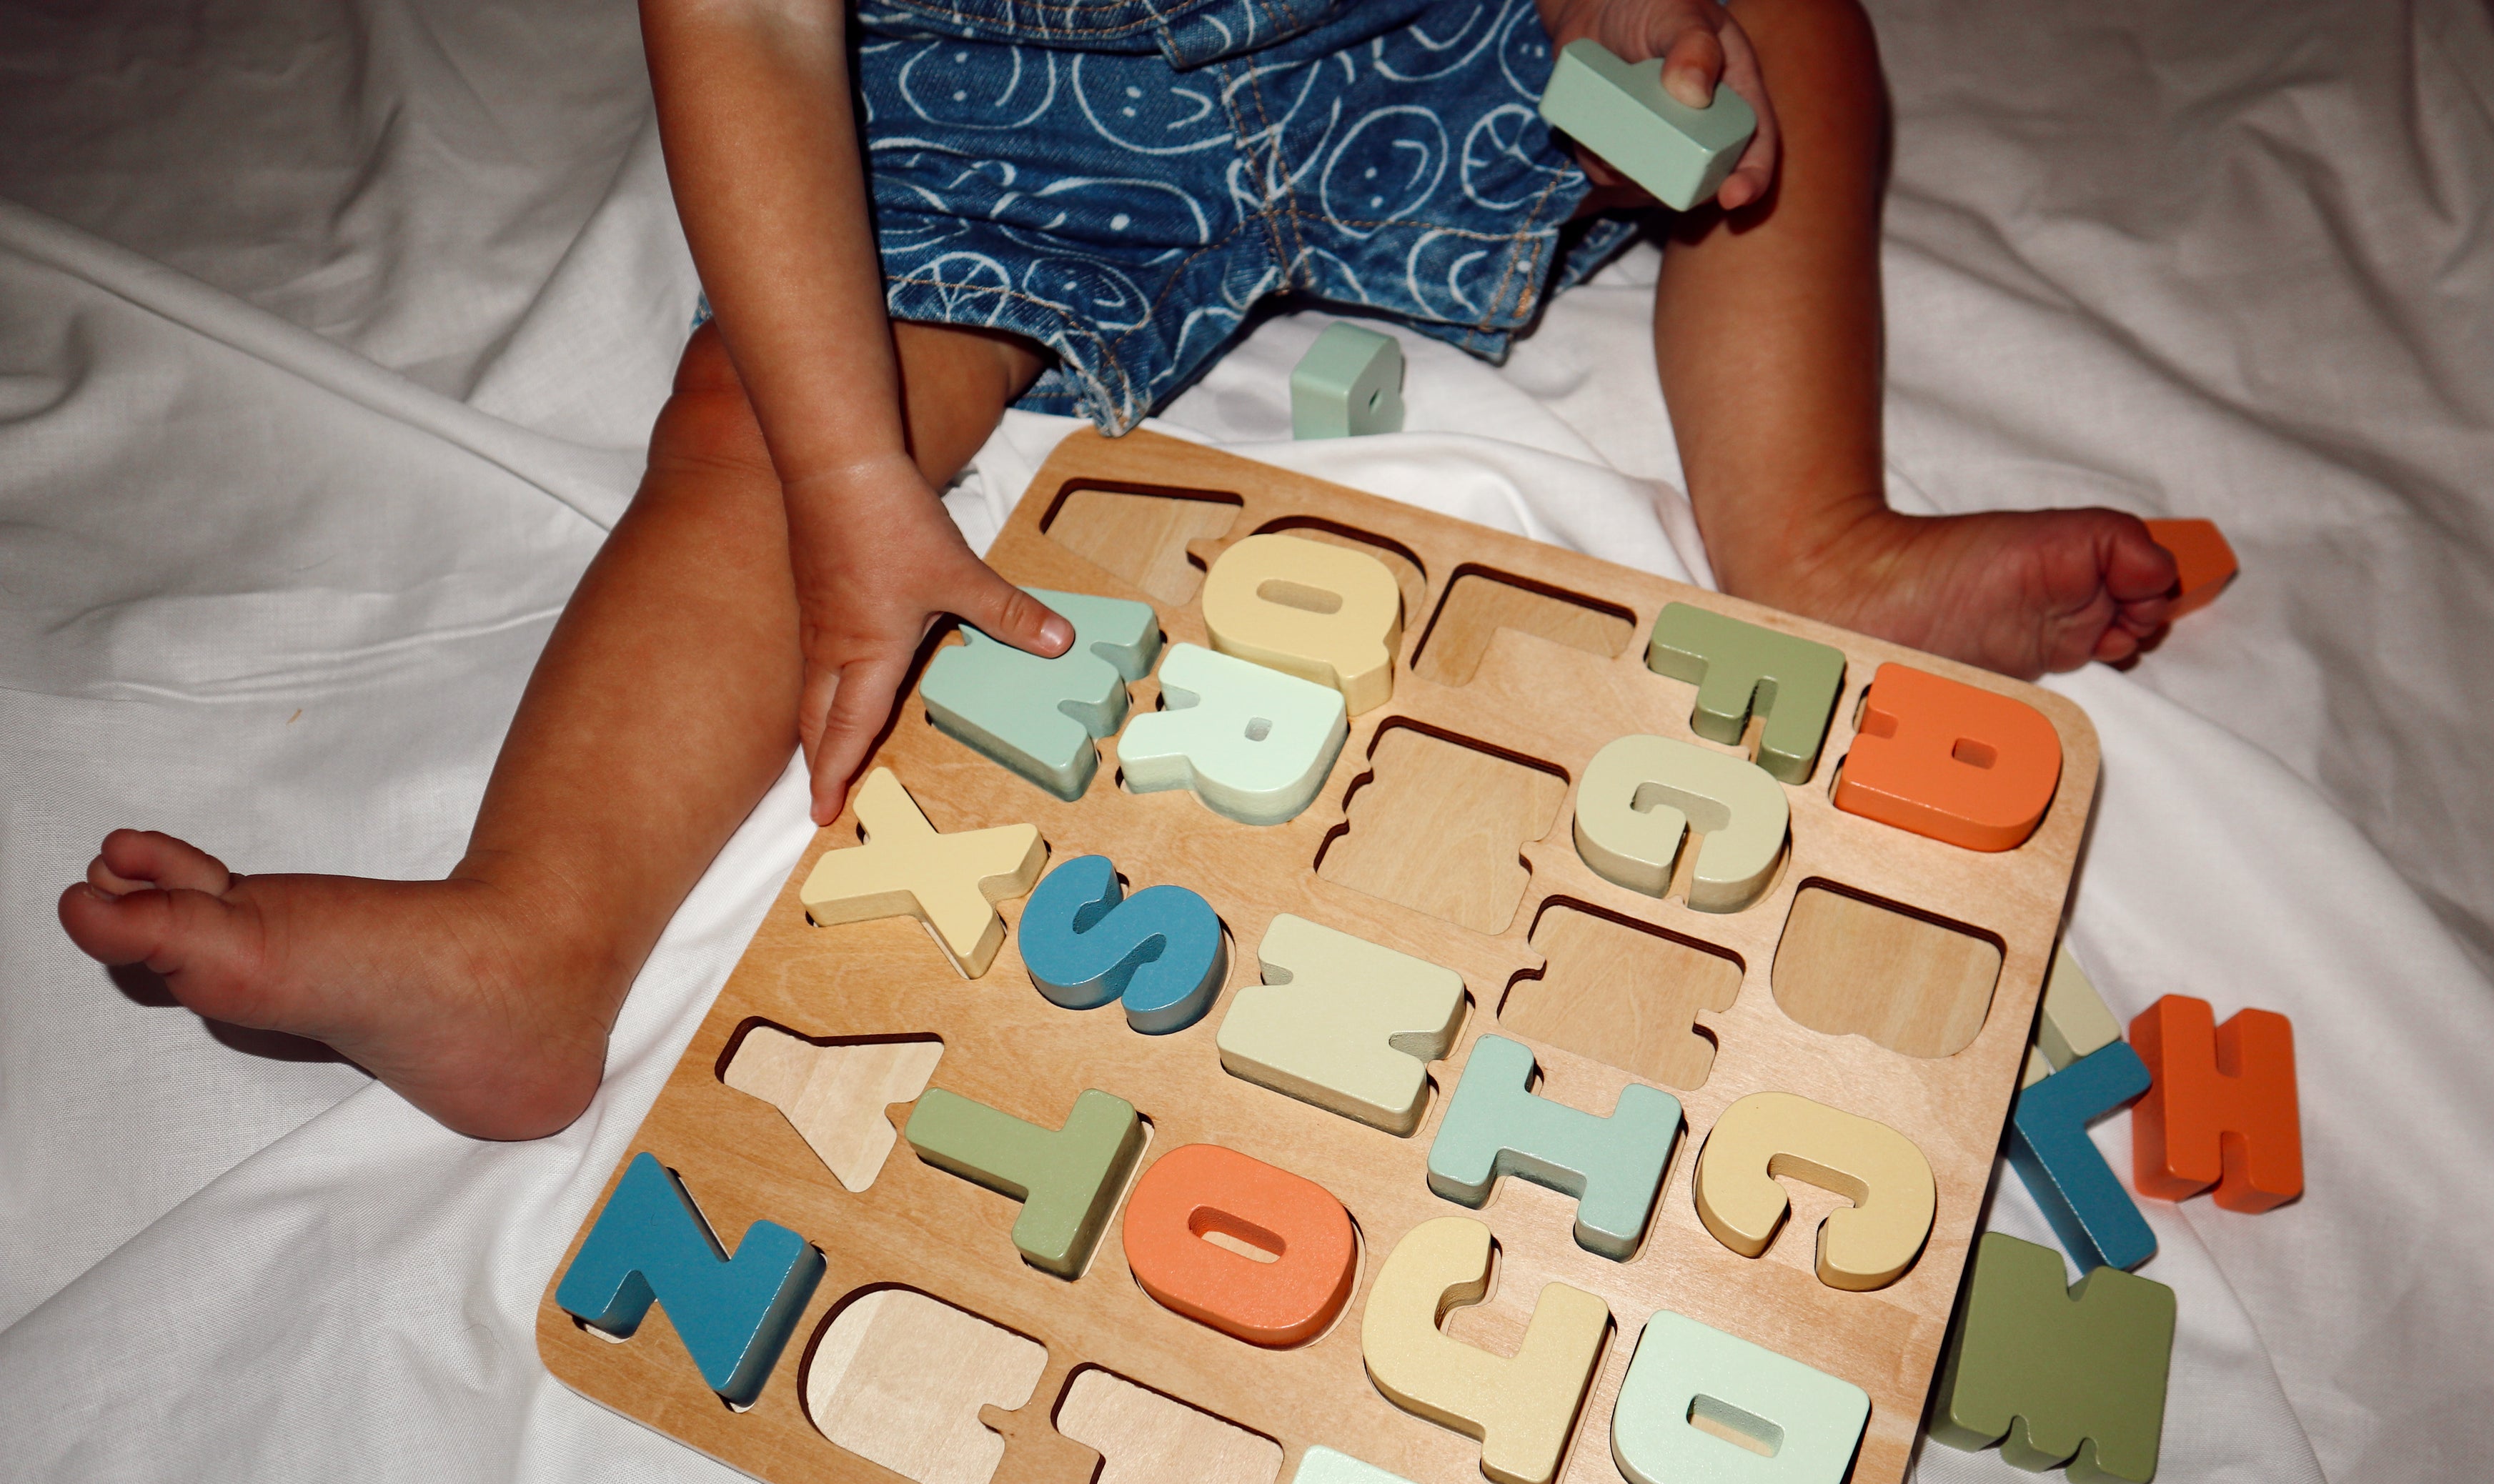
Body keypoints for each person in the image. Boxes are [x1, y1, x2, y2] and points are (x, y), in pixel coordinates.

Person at [59, 0, 2180, 1140]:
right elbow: (753, 36)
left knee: (1779, 21)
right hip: (1000, 107)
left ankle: (1813, 536)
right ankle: (538, 935)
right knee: (750, 442)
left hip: (1414, 45)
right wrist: (841, 474)